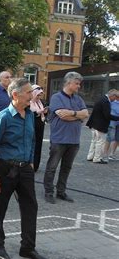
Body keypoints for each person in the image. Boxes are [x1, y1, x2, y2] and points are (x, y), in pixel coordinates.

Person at [0, 78, 49, 259]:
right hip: (5, 169)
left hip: (25, 169)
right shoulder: (3, 117)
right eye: (29, 92)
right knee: (0, 209)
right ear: (15, 94)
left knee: (30, 207)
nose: (32, 95)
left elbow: (33, 140)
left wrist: (29, 162)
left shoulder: (29, 115)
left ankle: (27, 248)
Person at [43, 72, 89, 204]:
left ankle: (61, 192)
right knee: (52, 167)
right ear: (68, 82)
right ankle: (49, 192)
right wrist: (77, 115)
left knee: (66, 168)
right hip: (59, 139)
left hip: (74, 140)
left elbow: (85, 114)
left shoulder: (78, 99)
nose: (78, 86)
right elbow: (63, 116)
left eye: (79, 83)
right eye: (77, 83)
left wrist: (72, 113)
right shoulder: (56, 97)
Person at [86, 89, 119, 164]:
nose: (115, 100)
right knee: (100, 142)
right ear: (113, 95)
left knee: (94, 141)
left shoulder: (101, 99)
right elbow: (107, 116)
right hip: (100, 125)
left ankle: (90, 156)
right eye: (115, 98)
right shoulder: (106, 102)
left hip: (94, 124)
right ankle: (97, 158)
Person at [29, 85, 48, 172]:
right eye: (38, 95)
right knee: (31, 145)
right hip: (32, 127)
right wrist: (38, 112)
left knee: (38, 145)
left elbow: (43, 114)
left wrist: (45, 112)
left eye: (40, 95)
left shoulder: (41, 102)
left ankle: (36, 165)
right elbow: (29, 114)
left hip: (40, 127)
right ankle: (30, 164)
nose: (39, 97)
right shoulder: (29, 103)